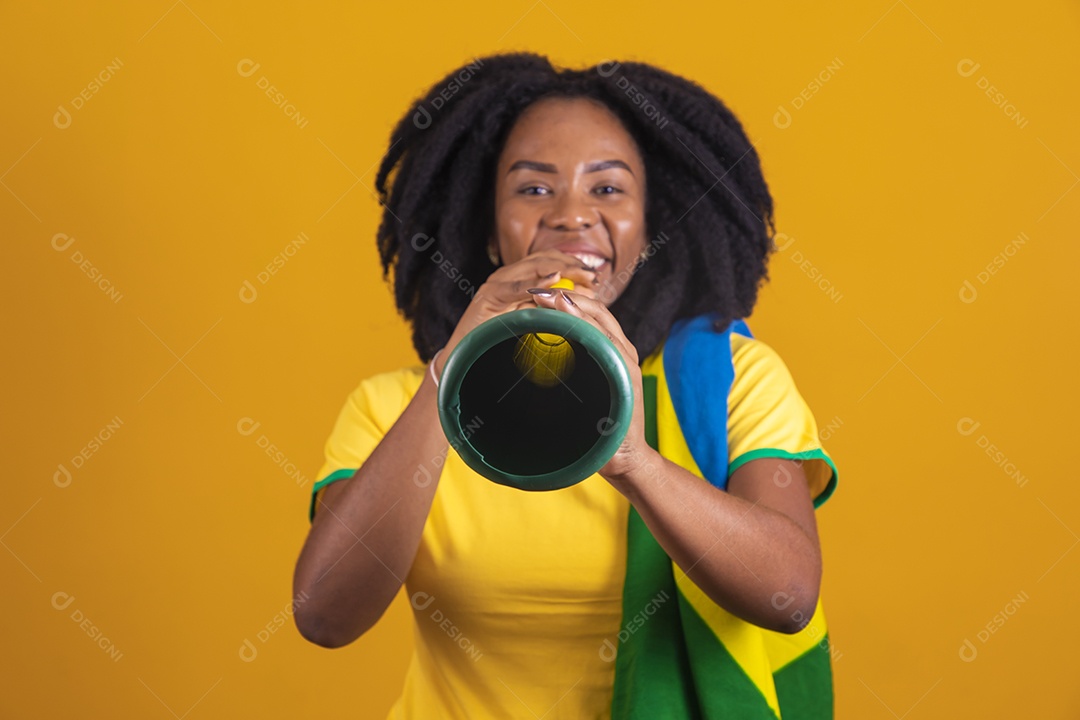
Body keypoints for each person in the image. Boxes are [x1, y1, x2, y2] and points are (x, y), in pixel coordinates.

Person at [293, 52, 840, 719]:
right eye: (532, 188)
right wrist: (452, 372)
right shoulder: (391, 405)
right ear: (490, 232)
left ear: (649, 227)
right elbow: (324, 613)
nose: (571, 214)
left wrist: (634, 459)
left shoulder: (734, 385)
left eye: (607, 189)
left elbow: (789, 595)